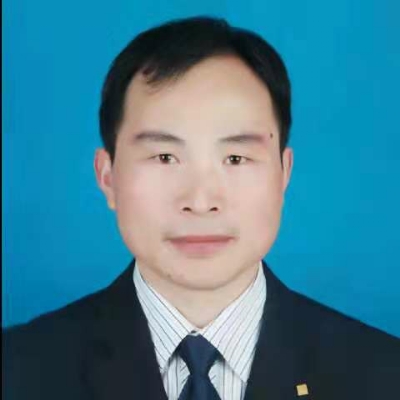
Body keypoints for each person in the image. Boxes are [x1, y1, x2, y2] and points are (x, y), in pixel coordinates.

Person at [2, 16, 399, 400]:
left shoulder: (383, 375)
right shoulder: (18, 371)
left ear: (284, 174)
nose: (200, 201)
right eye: (164, 157)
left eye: (236, 159)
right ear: (108, 177)